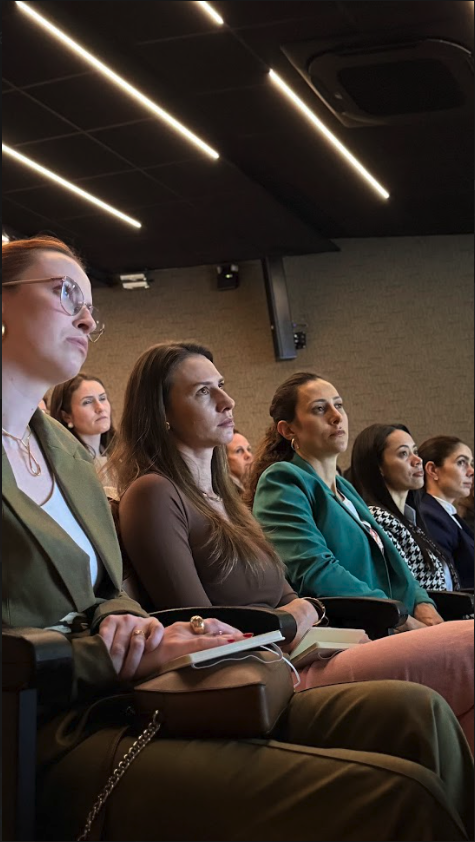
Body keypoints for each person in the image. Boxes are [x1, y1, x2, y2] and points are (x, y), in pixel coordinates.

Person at [5, 240, 473, 841]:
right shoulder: (151, 488)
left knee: (420, 716)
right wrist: (131, 645)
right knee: (398, 795)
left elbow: (103, 592)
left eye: (92, 302)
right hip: (43, 729)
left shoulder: (65, 454)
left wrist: (128, 620)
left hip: (124, 696)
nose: (89, 319)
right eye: (64, 291)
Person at [111, 351, 473, 749]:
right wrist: (292, 617)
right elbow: (203, 630)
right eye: (203, 391)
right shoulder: (154, 494)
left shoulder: (224, 502)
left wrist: (305, 611)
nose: (226, 401)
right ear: (161, 412)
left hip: (309, 650)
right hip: (270, 675)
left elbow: (294, 596)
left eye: (222, 386)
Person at [350, 423, 460, 591]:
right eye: (403, 454)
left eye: (415, 452)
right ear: (378, 467)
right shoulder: (378, 520)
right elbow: (406, 589)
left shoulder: (411, 519)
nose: (418, 460)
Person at [418, 436, 474, 588]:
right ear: (432, 470)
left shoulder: (448, 514)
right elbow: (445, 582)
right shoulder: (429, 516)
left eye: (471, 464)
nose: (471, 471)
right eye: (461, 462)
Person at [49, 373, 116, 490]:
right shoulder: (68, 466)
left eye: (102, 398)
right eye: (87, 402)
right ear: (66, 416)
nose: (100, 407)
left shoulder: (121, 454)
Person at [226, 429, 254, 494]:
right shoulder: (224, 496)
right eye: (238, 451)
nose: (248, 455)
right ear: (224, 459)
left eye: (249, 449)